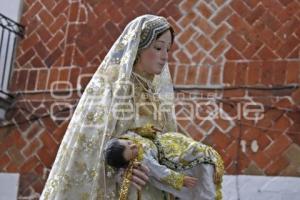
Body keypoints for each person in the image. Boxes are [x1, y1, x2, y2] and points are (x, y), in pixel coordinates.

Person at [40, 14, 220, 200]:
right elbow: (90, 142)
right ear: (138, 47)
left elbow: (168, 141)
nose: (165, 57)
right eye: (158, 48)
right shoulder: (112, 83)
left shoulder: (155, 97)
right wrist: (119, 166)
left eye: (167, 49)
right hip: (122, 188)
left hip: (154, 187)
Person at [104, 124, 223, 200]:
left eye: (129, 144)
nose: (134, 146)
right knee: (194, 158)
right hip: (167, 156)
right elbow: (161, 172)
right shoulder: (144, 159)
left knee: (192, 146)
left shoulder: (129, 136)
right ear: (129, 162)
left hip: (166, 141)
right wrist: (180, 180)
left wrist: (147, 130)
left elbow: (136, 130)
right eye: (132, 152)